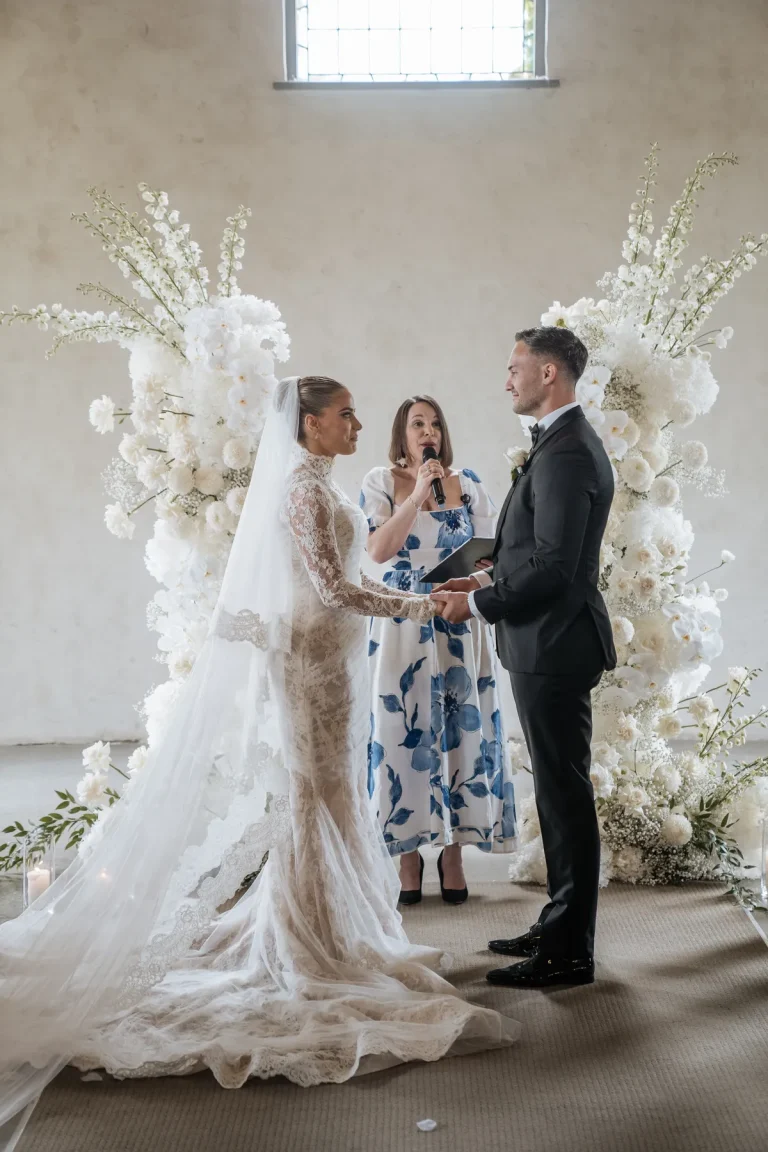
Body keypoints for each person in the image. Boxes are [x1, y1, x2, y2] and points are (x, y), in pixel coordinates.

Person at [0, 376, 519, 1146]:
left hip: (334, 661)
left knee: (337, 791)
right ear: (308, 424)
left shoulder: (322, 482)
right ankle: (313, 937)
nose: (356, 424)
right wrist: (417, 607)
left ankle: (344, 927)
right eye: (344, 415)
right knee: (316, 794)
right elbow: (332, 586)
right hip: (312, 658)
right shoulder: (301, 493)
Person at [432, 328, 617, 989]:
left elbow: (556, 569)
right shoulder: (559, 445)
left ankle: (570, 951)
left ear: (548, 374)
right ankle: (559, 923)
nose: (506, 379)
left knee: (565, 795)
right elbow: (530, 552)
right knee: (558, 789)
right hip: (548, 641)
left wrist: (480, 607)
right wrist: (478, 581)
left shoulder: (567, 454)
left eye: (514, 368)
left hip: (558, 644)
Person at [360, 396, 516, 905]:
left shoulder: (468, 485)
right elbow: (379, 552)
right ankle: (407, 856)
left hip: (458, 618)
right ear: (401, 434)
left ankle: (453, 852)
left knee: (457, 730)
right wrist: (417, 494)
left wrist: (475, 577)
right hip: (404, 619)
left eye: (434, 423)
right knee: (406, 730)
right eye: (417, 423)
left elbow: (500, 555)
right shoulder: (380, 483)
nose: (427, 431)